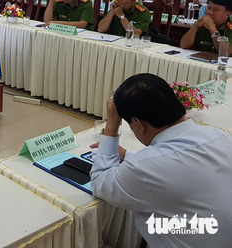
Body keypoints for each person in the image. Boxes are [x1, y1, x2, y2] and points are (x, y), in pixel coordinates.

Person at [90, 73, 232, 247]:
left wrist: (111, 127)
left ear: (139, 123)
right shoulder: (218, 135)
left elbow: (100, 183)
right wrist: (127, 155)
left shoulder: (144, 168)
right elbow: (182, 169)